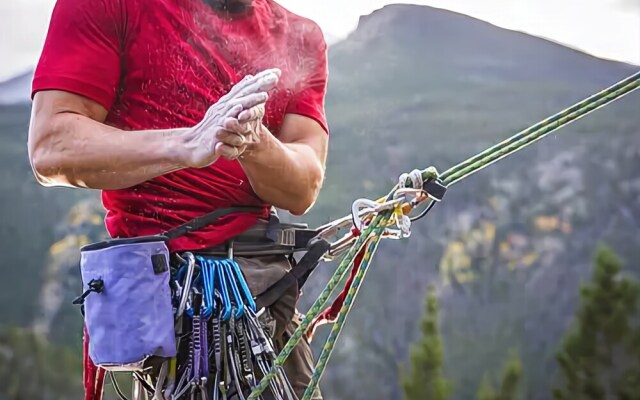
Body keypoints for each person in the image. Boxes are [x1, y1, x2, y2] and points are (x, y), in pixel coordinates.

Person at [27, 0, 329, 398]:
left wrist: (253, 141)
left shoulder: (298, 36)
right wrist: (186, 142)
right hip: (166, 298)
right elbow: (51, 146)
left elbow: (302, 187)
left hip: (264, 297)